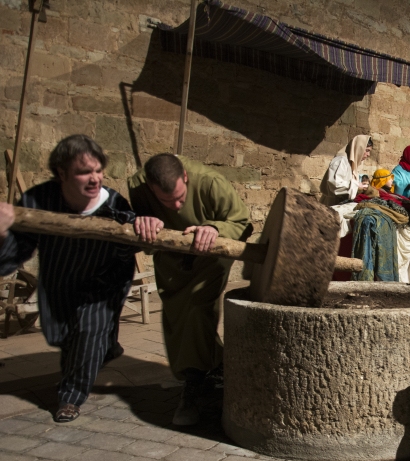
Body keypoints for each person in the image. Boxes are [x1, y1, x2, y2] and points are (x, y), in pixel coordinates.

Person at [0, 135, 136, 423]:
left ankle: (70, 397)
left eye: (98, 171)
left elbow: (130, 246)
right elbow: (17, 250)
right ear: (62, 173)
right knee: (63, 336)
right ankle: (106, 346)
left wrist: (140, 226)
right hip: (60, 278)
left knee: (89, 328)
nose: (94, 179)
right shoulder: (40, 199)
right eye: (84, 172)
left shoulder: (113, 203)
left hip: (105, 280)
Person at [129, 154, 250, 426]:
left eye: (181, 199)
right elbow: (140, 229)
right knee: (176, 316)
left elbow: (241, 222)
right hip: (172, 260)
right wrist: (144, 223)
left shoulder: (210, 183)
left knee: (198, 309)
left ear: (185, 176)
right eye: (166, 202)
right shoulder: (138, 187)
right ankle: (217, 365)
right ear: (150, 188)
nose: (175, 205)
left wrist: (214, 227)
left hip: (212, 253)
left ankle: (193, 384)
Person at [320, 135, 372, 205]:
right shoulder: (341, 161)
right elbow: (335, 184)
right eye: (367, 150)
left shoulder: (354, 163)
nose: (368, 154)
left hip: (342, 202)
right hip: (333, 203)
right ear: (359, 148)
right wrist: (356, 186)